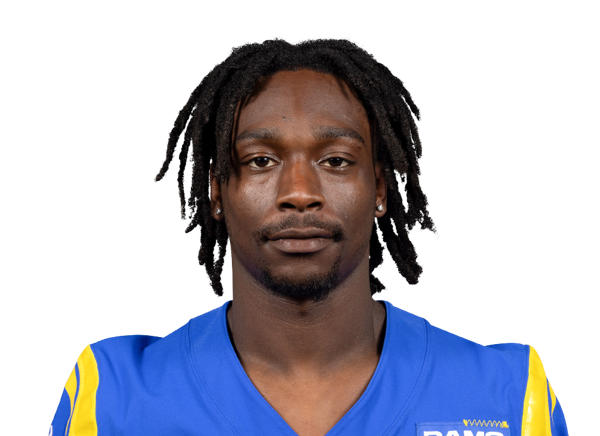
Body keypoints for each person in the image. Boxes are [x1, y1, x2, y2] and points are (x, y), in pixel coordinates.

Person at [48, 37, 568, 436]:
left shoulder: (510, 395)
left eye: (336, 161)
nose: (299, 192)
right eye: (261, 161)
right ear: (216, 192)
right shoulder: (111, 395)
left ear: (379, 189)